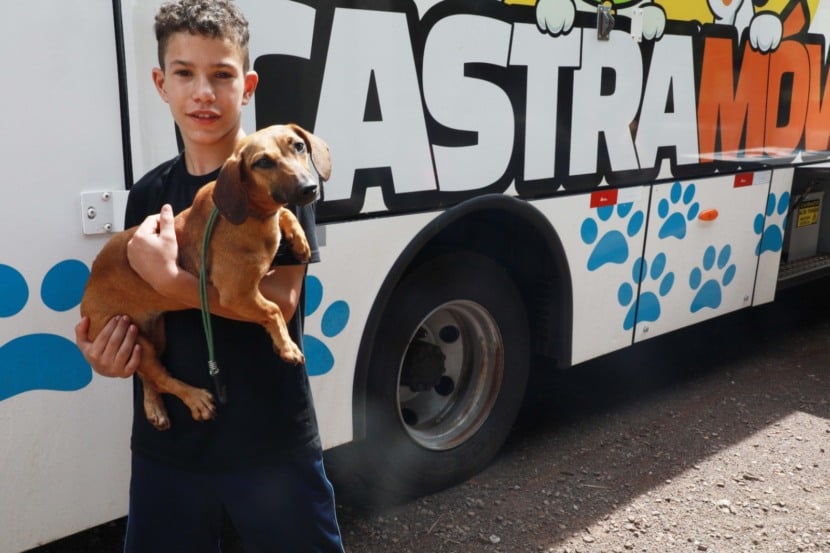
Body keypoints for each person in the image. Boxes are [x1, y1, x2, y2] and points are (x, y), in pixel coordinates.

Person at [74, 1, 344, 551]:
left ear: (247, 86)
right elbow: (131, 309)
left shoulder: (283, 184)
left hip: (270, 442)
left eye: (221, 75)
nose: (203, 93)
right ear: (161, 84)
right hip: (169, 451)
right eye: (184, 74)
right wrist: (108, 356)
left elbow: (282, 301)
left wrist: (173, 283)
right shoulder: (149, 196)